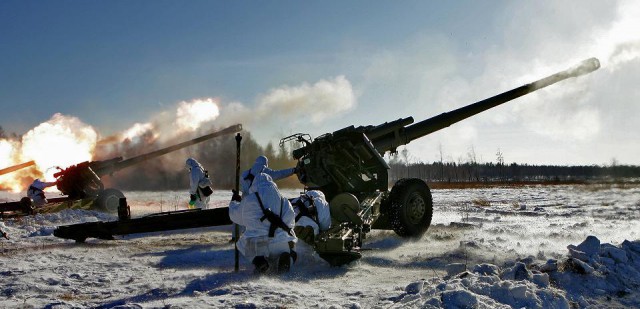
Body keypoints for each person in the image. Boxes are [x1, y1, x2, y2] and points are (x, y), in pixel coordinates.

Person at [229, 172, 297, 274]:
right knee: (289, 244)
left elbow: (235, 217)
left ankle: (260, 262)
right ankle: (287, 259)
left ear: (254, 185)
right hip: (280, 243)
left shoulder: (249, 200)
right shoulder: (284, 201)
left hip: (257, 245)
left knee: (242, 242)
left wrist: (234, 202)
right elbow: (291, 223)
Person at [232, 155, 297, 240]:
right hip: (259, 199)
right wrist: (293, 170)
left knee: (242, 216)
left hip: (246, 198)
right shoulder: (265, 172)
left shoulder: (245, 174)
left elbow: (241, 187)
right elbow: (280, 173)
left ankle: (235, 236)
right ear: (265, 163)